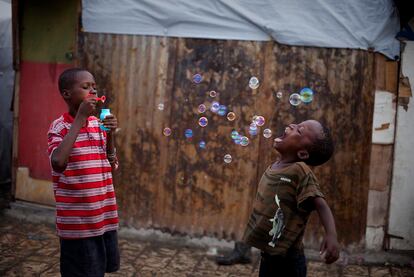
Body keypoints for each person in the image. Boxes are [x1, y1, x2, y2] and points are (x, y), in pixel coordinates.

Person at [242, 120, 340, 277]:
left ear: (302, 153)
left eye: (299, 131)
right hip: (268, 254)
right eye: (296, 125)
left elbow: (320, 204)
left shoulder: (299, 171)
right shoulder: (275, 166)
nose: (292, 126)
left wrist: (331, 235)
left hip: (288, 260)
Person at [47, 68, 120, 276]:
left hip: (103, 216)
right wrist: (80, 118)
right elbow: (58, 162)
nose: (93, 92)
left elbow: (111, 166)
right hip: (78, 223)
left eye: (95, 87)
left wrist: (111, 134)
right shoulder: (59, 127)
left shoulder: (98, 125)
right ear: (67, 94)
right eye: (86, 87)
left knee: (98, 270)